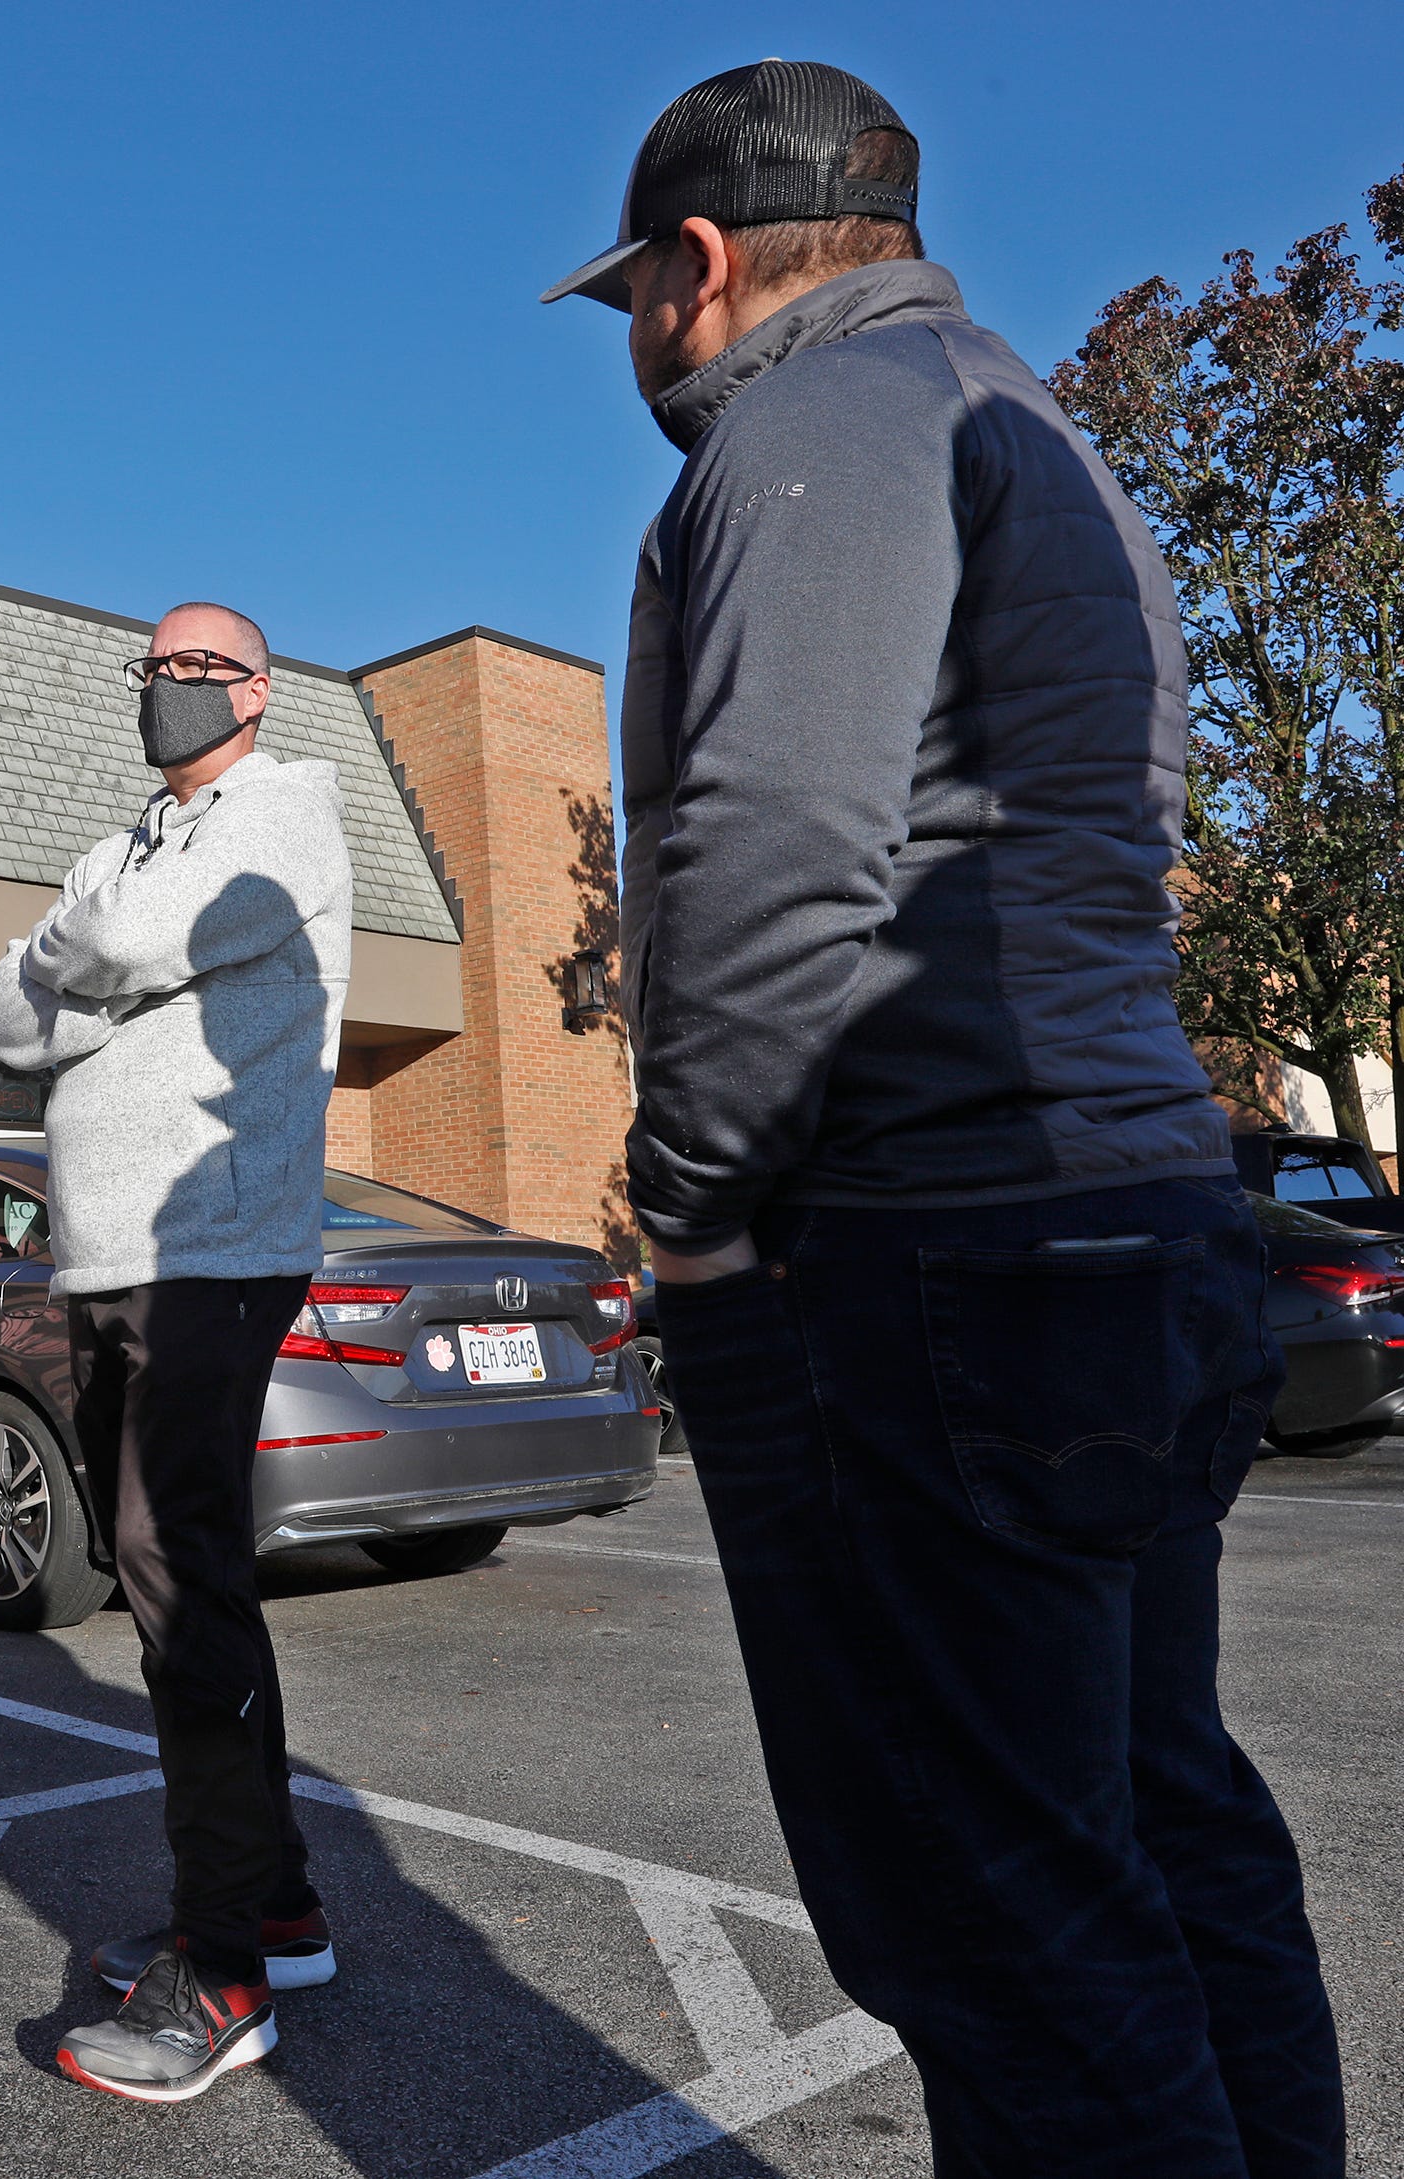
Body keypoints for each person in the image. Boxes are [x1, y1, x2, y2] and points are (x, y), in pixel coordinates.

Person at [545, 61, 1342, 2176]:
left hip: (938, 1244)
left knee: (997, 1918)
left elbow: (780, 845)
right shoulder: (1022, 415)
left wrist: (693, 1209)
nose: (637, 346)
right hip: (1130, 1211)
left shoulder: (814, 420)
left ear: (698, 269)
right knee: (1157, 1828)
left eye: (634, 297)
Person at [0, 602, 353, 2104]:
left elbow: (107, 948)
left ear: (257, 692)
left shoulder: (282, 819)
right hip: (110, 1249)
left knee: (175, 1570)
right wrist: (88, 973)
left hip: (216, 1247)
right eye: (158, 667)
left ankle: (223, 1970)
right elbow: (10, 1021)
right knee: (179, 1575)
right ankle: (276, 1902)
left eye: (204, 669)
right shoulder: (132, 839)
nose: (176, 687)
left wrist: (87, 962)